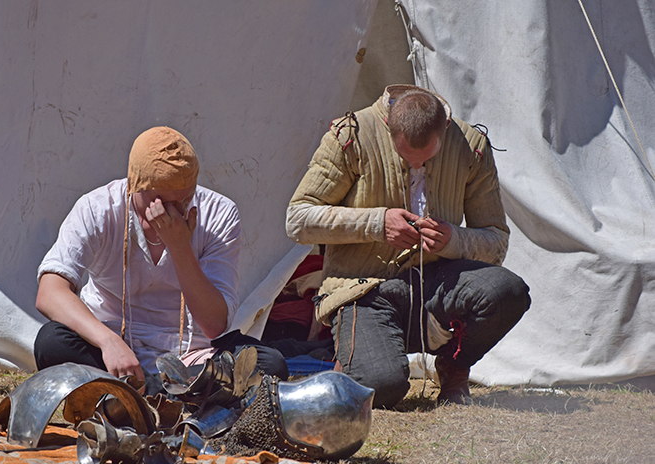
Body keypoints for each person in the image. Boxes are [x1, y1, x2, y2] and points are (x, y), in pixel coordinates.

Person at [286, 85, 531, 408]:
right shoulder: (352, 136)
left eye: (427, 159)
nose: (417, 167)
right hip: (364, 289)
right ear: (388, 127)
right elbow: (298, 219)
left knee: (507, 292)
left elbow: (496, 241)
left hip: (435, 285)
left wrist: (452, 239)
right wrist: (377, 223)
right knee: (379, 389)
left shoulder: (470, 146)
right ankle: (357, 357)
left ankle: (454, 365)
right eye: (405, 157)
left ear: (444, 129)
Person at [34, 126, 288, 394]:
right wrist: (108, 341)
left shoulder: (219, 213)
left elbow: (214, 325)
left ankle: (135, 393)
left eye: (183, 201)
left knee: (270, 363)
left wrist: (179, 247)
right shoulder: (98, 208)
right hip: (113, 350)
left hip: (194, 355)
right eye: (160, 202)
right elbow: (50, 292)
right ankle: (169, 394)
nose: (173, 213)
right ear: (134, 186)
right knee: (51, 342)